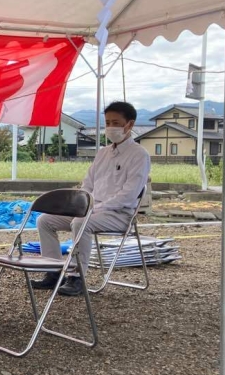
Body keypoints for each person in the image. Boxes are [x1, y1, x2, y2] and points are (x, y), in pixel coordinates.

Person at [32, 101, 150, 296]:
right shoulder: (103, 153)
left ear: (129, 125)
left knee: (81, 223)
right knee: (45, 220)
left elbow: (128, 195)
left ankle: (76, 278)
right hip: (90, 211)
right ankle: (53, 273)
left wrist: (94, 208)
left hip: (119, 214)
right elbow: (87, 184)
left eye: (116, 123)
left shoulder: (139, 155)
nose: (111, 127)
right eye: (108, 122)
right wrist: (83, 204)